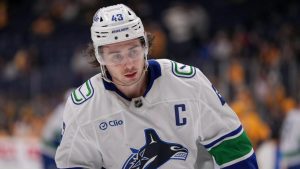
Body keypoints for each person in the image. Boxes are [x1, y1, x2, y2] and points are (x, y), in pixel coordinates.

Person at [55, 4, 258, 169]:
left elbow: (233, 147)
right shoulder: (83, 107)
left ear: (145, 46)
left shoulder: (190, 83)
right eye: (116, 56)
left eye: (133, 50)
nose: (127, 64)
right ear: (100, 57)